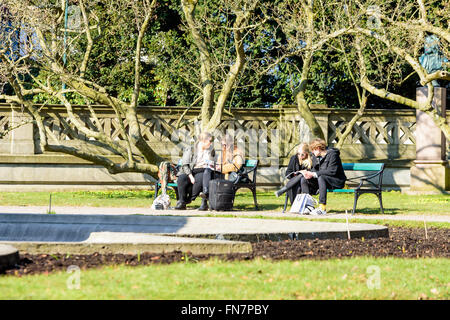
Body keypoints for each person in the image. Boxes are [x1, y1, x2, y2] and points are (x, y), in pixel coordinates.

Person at [300, 138, 346, 215]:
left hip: (336, 180)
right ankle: (309, 206)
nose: (312, 152)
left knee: (322, 177)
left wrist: (314, 174)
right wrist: (308, 173)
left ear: (318, 148)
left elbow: (332, 171)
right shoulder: (315, 156)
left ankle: (322, 208)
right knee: (304, 179)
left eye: (313, 150)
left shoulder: (333, 155)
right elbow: (315, 170)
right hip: (322, 181)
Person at [174, 132, 216, 211]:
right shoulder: (191, 149)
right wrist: (190, 176)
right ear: (203, 141)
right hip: (190, 170)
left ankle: (189, 199)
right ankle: (182, 202)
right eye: (209, 141)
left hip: (203, 170)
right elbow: (185, 164)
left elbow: (213, 162)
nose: (211, 143)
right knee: (181, 179)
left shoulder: (211, 150)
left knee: (199, 180)